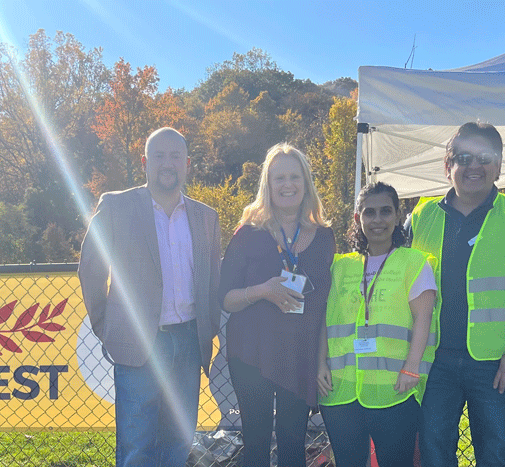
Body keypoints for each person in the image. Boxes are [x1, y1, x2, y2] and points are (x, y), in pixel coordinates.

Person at [407, 122, 505, 467]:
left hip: (497, 364)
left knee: (494, 455)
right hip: (434, 362)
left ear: (500, 165)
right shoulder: (420, 217)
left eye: (484, 157)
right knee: (433, 453)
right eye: (463, 157)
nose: (474, 166)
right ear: (448, 167)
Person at [78, 127, 222, 466]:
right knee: (136, 445)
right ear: (144, 162)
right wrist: (106, 326)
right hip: (140, 342)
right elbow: (91, 269)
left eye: (175, 156)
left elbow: (212, 281)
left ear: (187, 164)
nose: (167, 163)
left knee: (178, 440)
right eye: (159, 156)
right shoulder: (116, 206)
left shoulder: (206, 217)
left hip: (188, 344)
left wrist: (207, 329)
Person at [219, 143, 333, 467]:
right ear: (267, 185)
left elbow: (324, 306)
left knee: (294, 446)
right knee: (255, 446)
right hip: (252, 355)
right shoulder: (247, 234)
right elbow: (226, 298)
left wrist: (321, 360)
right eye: (279, 178)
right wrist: (262, 290)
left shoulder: (324, 237)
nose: (287, 185)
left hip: (299, 356)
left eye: (294, 177)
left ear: (306, 182)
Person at [316, 182, 437, 466]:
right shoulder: (340, 266)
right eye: (369, 213)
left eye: (385, 212)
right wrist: (319, 362)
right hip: (341, 391)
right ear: (358, 218)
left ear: (397, 215)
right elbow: (325, 318)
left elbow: (423, 319)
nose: (378, 220)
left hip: (394, 390)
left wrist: (411, 367)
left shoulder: (414, 263)